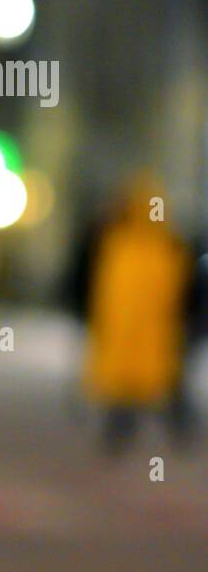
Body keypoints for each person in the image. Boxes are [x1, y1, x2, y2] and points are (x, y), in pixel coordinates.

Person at [83, 173, 194, 453]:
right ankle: (123, 434)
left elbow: (180, 293)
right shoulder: (125, 245)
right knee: (131, 390)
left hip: (149, 334)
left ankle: (178, 429)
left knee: (159, 387)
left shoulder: (161, 247)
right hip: (131, 333)